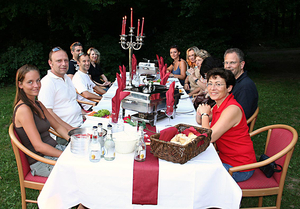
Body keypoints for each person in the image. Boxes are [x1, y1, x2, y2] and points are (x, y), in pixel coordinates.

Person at [196, 68, 256, 182]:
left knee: (199, 175)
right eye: (210, 84)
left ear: (229, 88)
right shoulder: (220, 103)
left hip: (240, 168)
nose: (212, 88)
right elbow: (200, 121)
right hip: (224, 158)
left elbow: (209, 137)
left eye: (218, 84)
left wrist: (204, 114)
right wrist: (201, 112)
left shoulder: (231, 109)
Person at [13, 64, 70, 177]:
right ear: (20, 85)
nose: (36, 85)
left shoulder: (38, 104)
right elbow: (38, 146)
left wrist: (73, 140)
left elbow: (57, 126)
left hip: (54, 150)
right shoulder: (24, 109)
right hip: (41, 161)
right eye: (30, 82)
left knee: (87, 156)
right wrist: (65, 155)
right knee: (82, 170)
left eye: (38, 80)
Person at [38, 47, 84, 144]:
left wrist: (88, 115)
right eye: (59, 61)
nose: (63, 64)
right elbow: (47, 113)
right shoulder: (47, 83)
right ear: (50, 63)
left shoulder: (67, 78)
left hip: (80, 124)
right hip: (63, 135)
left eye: (66, 60)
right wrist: (71, 129)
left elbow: (72, 103)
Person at [224, 48, 258, 119]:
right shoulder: (233, 82)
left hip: (235, 127)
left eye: (232, 62)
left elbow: (241, 116)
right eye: (226, 63)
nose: (228, 66)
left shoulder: (245, 86)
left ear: (242, 65)